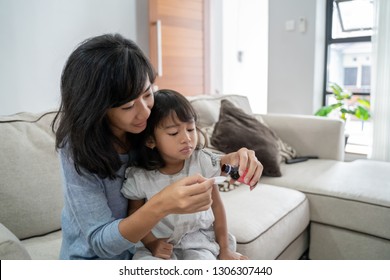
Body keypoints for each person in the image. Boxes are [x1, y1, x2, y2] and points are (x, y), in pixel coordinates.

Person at [52, 33, 263, 260]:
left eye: (147, 94)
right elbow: (101, 245)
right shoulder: (76, 149)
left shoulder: (147, 125)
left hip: (150, 250)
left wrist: (234, 159)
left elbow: (198, 159)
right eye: (128, 106)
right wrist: (162, 204)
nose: (145, 112)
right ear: (97, 109)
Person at [122, 89, 249, 260]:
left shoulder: (202, 162)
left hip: (198, 242)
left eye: (190, 129)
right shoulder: (140, 176)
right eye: (174, 133)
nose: (186, 138)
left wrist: (225, 249)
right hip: (157, 244)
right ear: (151, 140)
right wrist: (151, 243)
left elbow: (217, 207)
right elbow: (134, 213)